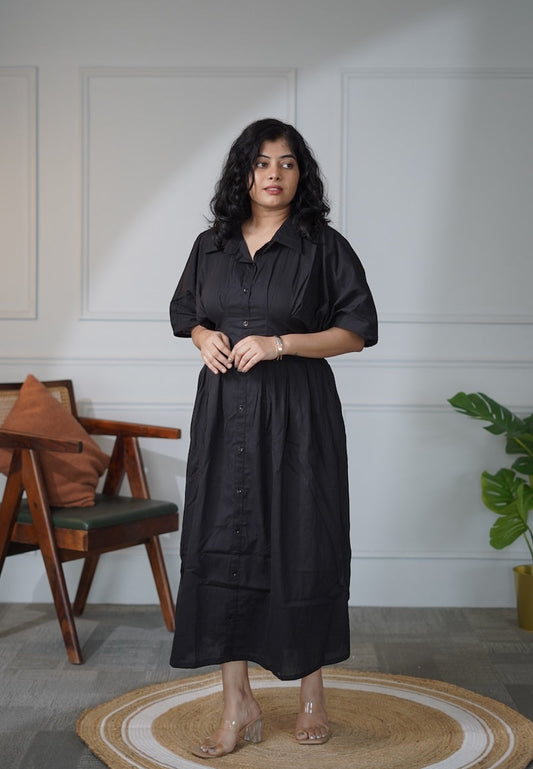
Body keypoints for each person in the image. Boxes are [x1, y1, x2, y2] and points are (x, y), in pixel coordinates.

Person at [169, 118, 378, 758]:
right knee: (222, 546)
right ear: (244, 172)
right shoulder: (211, 245)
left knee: (303, 542)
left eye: (287, 163)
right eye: (262, 163)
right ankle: (239, 704)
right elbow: (187, 313)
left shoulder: (323, 246)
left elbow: (356, 331)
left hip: (299, 418)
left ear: (300, 174)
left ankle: (312, 694)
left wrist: (280, 343)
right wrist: (205, 338)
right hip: (224, 416)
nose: (274, 175)